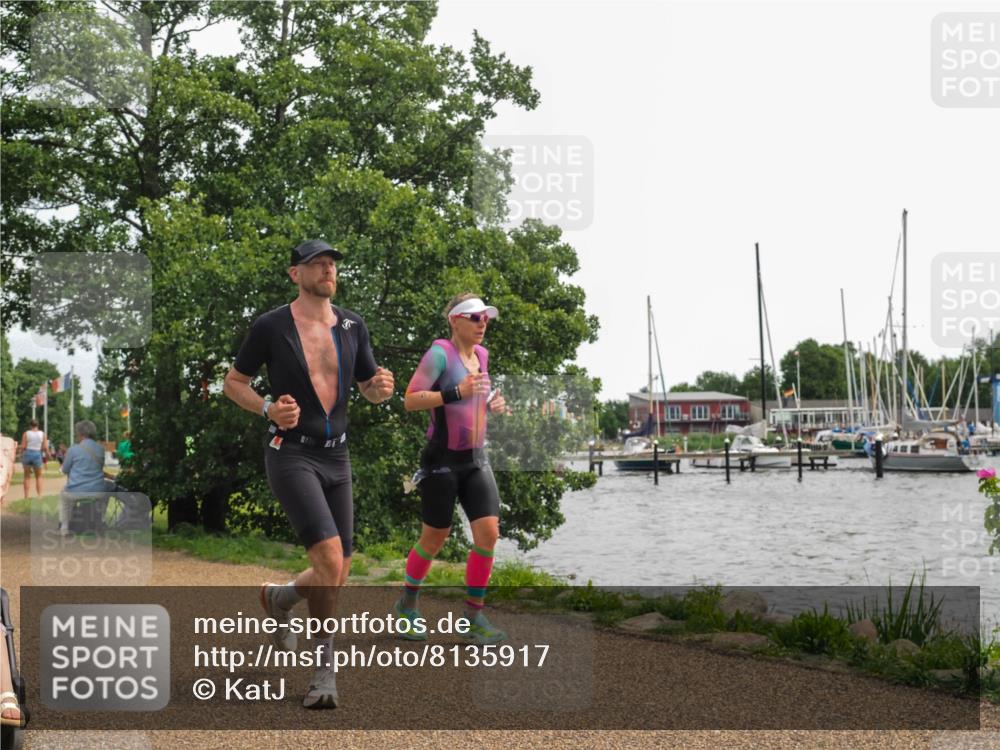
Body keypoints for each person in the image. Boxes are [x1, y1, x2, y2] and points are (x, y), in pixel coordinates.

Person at [223, 239, 394, 709]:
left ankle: (280, 598)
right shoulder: (271, 326)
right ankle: (324, 674)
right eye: (317, 264)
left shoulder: (353, 325)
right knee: (330, 560)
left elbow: (367, 388)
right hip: (291, 454)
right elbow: (233, 383)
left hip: (337, 457)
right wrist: (267, 409)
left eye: (332, 263)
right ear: (295, 274)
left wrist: (379, 389)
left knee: (338, 570)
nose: (327, 269)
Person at [396, 292, 510, 645]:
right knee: (435, 538)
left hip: (476, 460)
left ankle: (473, 618)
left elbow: (475, 398)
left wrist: (492, 404)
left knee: (488, 534)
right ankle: (407, 606)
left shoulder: (482, 356)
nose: (482, 324)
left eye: (486, 318)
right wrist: (454, 393)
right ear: (455, 320)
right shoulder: (439, 354)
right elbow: (411, 399)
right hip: (441, 461)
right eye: (475, 318)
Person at [59, 420, 110, 536]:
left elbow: (65, 470)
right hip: (97, 491)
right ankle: (101, 521)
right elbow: (98, 468)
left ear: (80, 433)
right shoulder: (100, 449)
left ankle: (65, 527)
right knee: (105, 490)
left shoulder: (73, 449)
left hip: (76, 491)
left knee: (64, 495)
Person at [19, 420, 48, 500]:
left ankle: (26, 497)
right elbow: (45, 447)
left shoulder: (26, 433)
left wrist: (21, 455)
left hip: (28, 453)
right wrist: (46, 456)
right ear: (37, 425)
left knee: (26, 476)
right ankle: (39, 496)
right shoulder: (42, 434)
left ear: (30, 425)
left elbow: (23, 446)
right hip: (37, 453)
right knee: (39, 476)